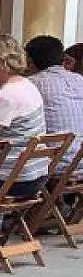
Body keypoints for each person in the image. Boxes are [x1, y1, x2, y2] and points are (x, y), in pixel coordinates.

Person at [0, 34, 47, 195]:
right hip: (35, 174)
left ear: (0, 62)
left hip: (11, 178)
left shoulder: (5, 96)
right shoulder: (27, 84)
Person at [26, 35, 83, 174]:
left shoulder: (32, 84)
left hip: (54, 163)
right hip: (79, 160)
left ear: (30, 61)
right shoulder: (79, 80)